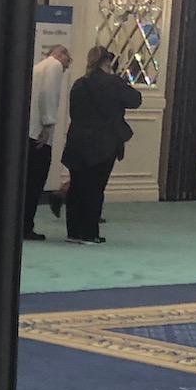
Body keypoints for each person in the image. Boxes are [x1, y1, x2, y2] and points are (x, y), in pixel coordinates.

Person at [60, 46, 141, 244]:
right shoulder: (113, 83)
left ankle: (74, 231)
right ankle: (89, 232)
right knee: (95, 188)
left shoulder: (79, 84)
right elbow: (135, 100)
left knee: (77, 186)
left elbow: (74, 112)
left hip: (77, 141)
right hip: (103, 142)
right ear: (107, 63)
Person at [24, 41, 71, 241]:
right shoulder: (54, 66)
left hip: (29, 131)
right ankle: (26, 225)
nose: (69, 62)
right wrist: (47, 125)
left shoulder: (38, 68)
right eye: (67, 57)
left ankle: (23, 224)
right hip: (39, 134)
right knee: (35, 182)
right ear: (60, 54)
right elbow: (48, 94)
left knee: (27, 182)